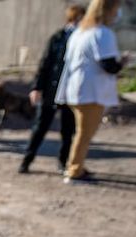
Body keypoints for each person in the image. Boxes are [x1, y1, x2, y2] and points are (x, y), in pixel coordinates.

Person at [55, 0, 128, 183]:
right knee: (84, 133)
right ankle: (74, 170)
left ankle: (75, 165)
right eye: (116, 10)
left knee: (81, 132)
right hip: (90, 92)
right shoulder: (102, 34)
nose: (117, 14)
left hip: (75, 90)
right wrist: (123, 62)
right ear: (108, 11)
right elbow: (109, 65)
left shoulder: (80, 33)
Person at [19, 5, 85, 174]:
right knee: (40, 127)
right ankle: (27, 159)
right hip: (52, 90)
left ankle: (64, 162)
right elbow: (45, 64)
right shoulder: (57, 37)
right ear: (73, 18)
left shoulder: (83, 38)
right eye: (79, 17)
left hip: (70, 92)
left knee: (68, 130)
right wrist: (37, 87)